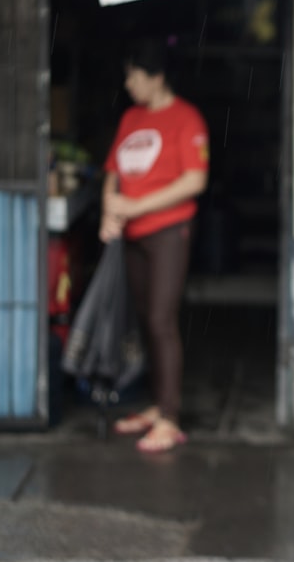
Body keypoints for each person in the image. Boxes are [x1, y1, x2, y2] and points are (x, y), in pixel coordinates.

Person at [99, 39, 209, 453]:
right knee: (144, 318)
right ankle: (155, 404)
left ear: (156, 76)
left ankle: (170, 417)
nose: (128, 83)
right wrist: (111, 209)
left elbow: (194, 181)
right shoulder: (130, 117)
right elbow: (112, 170)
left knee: (162, 319)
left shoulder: (186, 118)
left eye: (134, 74)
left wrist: (135, 205)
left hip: (168, 232)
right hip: (131, 234)